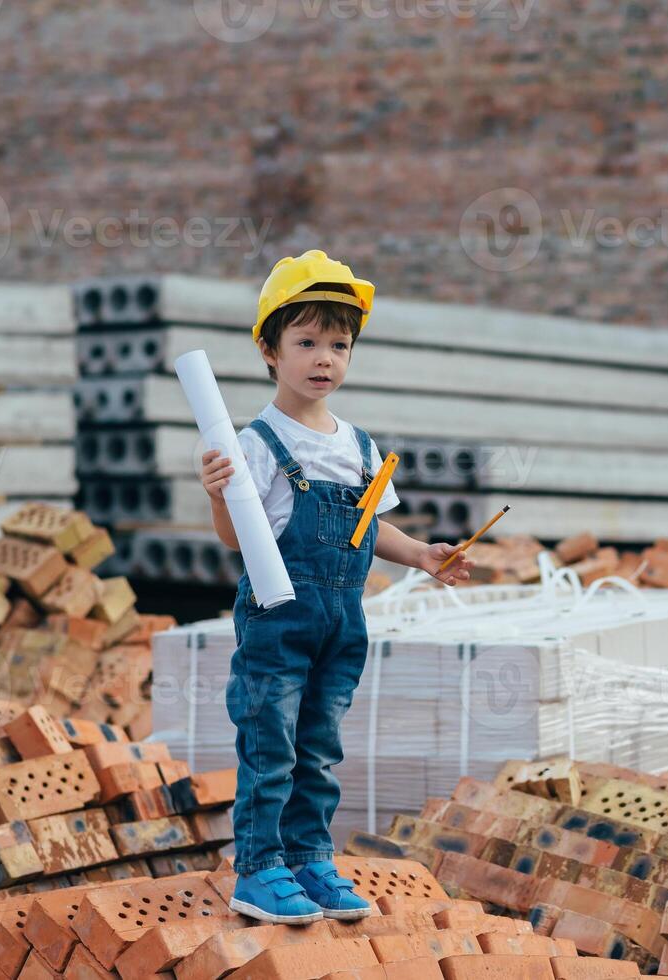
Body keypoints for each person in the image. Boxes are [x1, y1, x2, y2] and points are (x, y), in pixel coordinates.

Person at [198, 249, 474, 923]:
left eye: (339, 345)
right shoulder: (255, 444)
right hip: (278, 618)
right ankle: (258, 870)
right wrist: (216, 495)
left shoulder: (360, 447)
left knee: (318, 750)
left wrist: (425, 556)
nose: (324, 358)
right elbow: (238, 538)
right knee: (271, 746)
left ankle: (309, 860)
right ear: (269, 349)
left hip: (344, 623)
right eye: (307, 342)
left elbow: (372, 530)